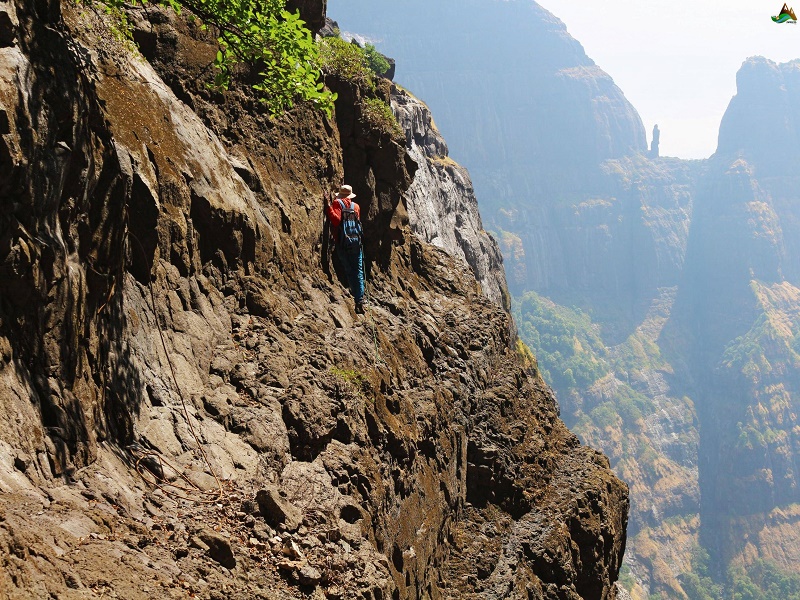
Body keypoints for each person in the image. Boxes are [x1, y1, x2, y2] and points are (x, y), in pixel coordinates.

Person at [325, 184, 365, 314]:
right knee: (358, 270)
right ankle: (359, 299)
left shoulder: (337, 203)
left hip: (342, 242)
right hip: (356, 243)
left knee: (349, 269)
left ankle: (354, 295)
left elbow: (336, 221)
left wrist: (328, 207)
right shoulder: (356, 207)